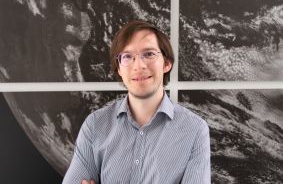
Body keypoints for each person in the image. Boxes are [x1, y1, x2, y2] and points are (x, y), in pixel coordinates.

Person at [62, 20, 211, 184]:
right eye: (127, 57)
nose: (138, 65)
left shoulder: (195, 130)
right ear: (119, 68)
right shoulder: (95, 125)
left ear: (166, 63)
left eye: (149, 54)